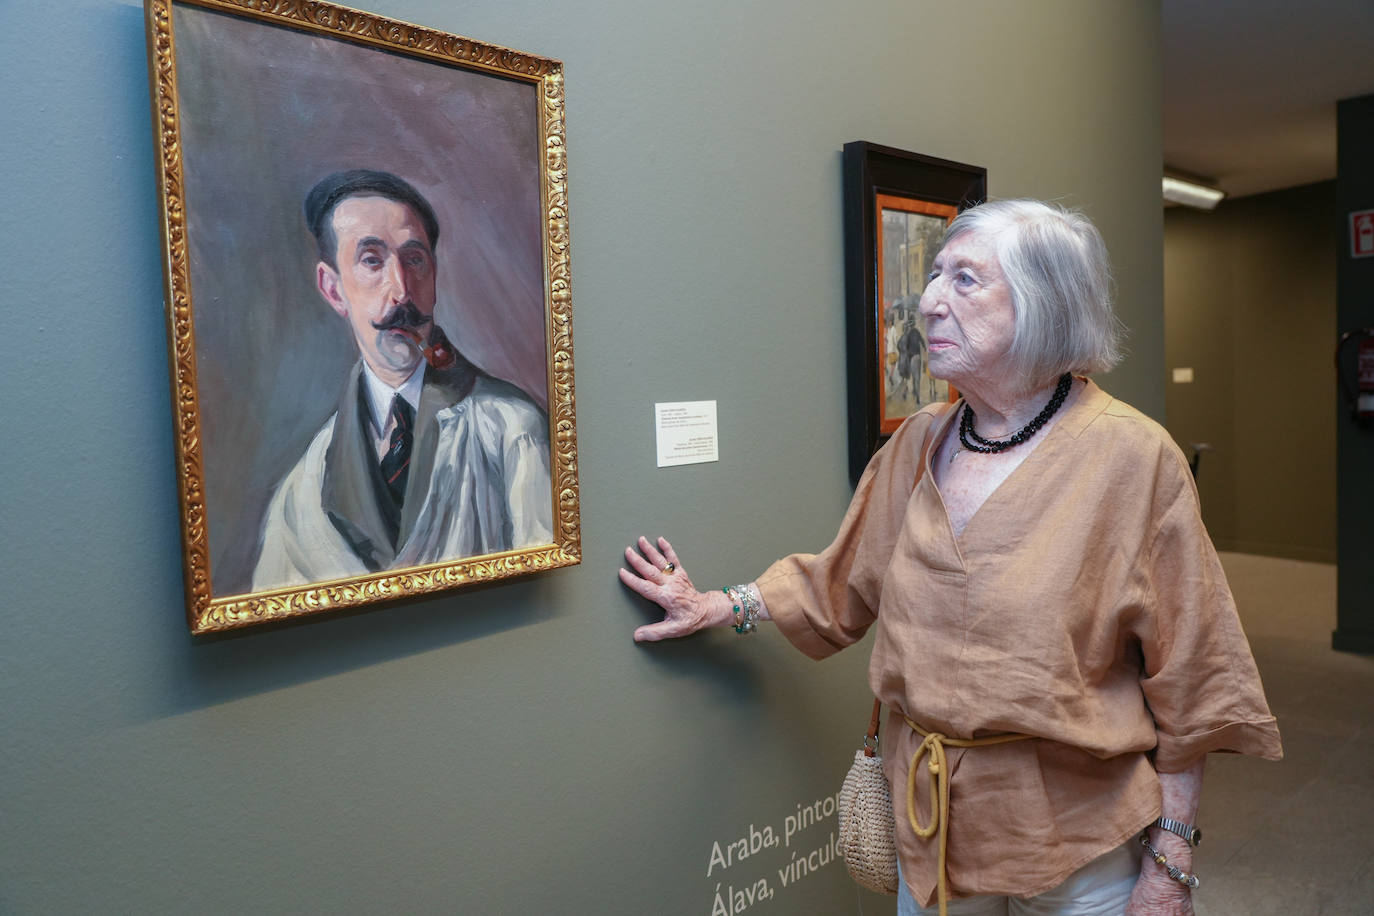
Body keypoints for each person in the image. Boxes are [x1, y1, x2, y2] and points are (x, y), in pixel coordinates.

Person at [619, 200, 1281, 915]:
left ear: (1043, 305)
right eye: (934, 275)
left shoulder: (1132, 457)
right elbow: (840, 582)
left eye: (964, 280)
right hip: (931, 827)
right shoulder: (919, 442)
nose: (927, 301)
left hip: (1075, 835)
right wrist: (715, 604)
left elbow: (1194, 677)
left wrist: (1170, 861)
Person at [252, 169, 552, 591]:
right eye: (372, 260)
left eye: (414, 260)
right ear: (333, 289)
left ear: (434, 276)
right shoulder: (301, 492)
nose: (401, 291)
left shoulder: (512, 432)